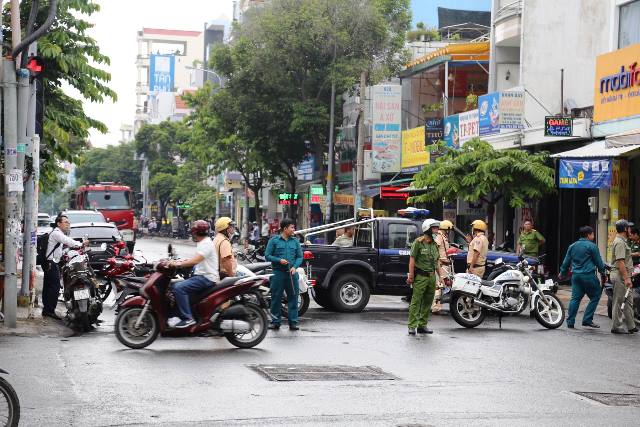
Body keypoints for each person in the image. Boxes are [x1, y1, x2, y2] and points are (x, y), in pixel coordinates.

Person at [168, 220, 219, 328]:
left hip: (206, 278)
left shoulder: (206, 243)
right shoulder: (203, 242)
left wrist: (178, 264)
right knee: (173, 285)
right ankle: (178, 315)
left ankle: (188, 318)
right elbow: (196, 260)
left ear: (195, 233)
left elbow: (195, 260)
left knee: (179, 288)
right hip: (202, 276)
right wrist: (179, 261)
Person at [559, 226, 606, 329]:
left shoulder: (572, 246)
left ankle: (570, 322)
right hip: (588, 275)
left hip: (575, 276)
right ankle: (587, 319)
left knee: (575, 299)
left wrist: (562, 273)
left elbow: (566, 262)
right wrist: (603, 273)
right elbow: (598, 262)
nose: (593, 236)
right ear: (589, 235)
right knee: (595, 295)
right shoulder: (592, 246)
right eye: (593, 234)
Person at [42, 214, 88, 320]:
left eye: (68, 222)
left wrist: (66, 252)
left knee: (48, 287)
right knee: (55, 287)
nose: (68, 224)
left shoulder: (56, 234)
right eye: (65, 222)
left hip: (51, 263)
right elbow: (68, 241)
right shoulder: (57, 233)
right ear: (59, 223)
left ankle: (47, 310)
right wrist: (81, 244)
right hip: (51, 264)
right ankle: (50, 311)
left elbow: (58, 250)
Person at [407, 219, 447, 335]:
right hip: (420, 277)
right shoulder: (418, 243)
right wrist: (411, 276)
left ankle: (422, 325)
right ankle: (412, 325)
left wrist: (442, 278)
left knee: (428, 302)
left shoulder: (434, 244)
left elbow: (437, 263)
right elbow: (412, 260)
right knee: (416, 301)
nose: (437, 230)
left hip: (432, 277)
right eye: (434, 228)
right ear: (427, 229)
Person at [265, 218, 303, 331]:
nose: (293, 229)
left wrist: (295, 267)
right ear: (285, 228)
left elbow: (299, 256)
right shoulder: (274, 240)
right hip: (278, 273)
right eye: (292, 227)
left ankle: (293, 322)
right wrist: (278, 260)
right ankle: (275, 322)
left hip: (291, 274)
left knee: (293, 297)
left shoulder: (295, 241)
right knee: (276, 298)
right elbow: (267, 255)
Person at [609, 219, 637, 334]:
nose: (630, 230)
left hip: (624, 275)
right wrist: (627, 278)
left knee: (628, 301)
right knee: (619, 301)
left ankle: (631, 326)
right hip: (620, 275)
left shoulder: (623, 241)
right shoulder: (620, 242)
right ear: (625, 229)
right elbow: (620, 262)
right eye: (629, 228)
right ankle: (616, 326)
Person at [431, 220, 454, 313]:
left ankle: (437, 305)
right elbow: (435, 248)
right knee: (439, 285)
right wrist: (438, 260)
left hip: (444, 264)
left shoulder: (443, 236)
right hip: (441, 265)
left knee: (442, 285)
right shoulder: (440, 237)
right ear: (446, 229)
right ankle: (435, 306)